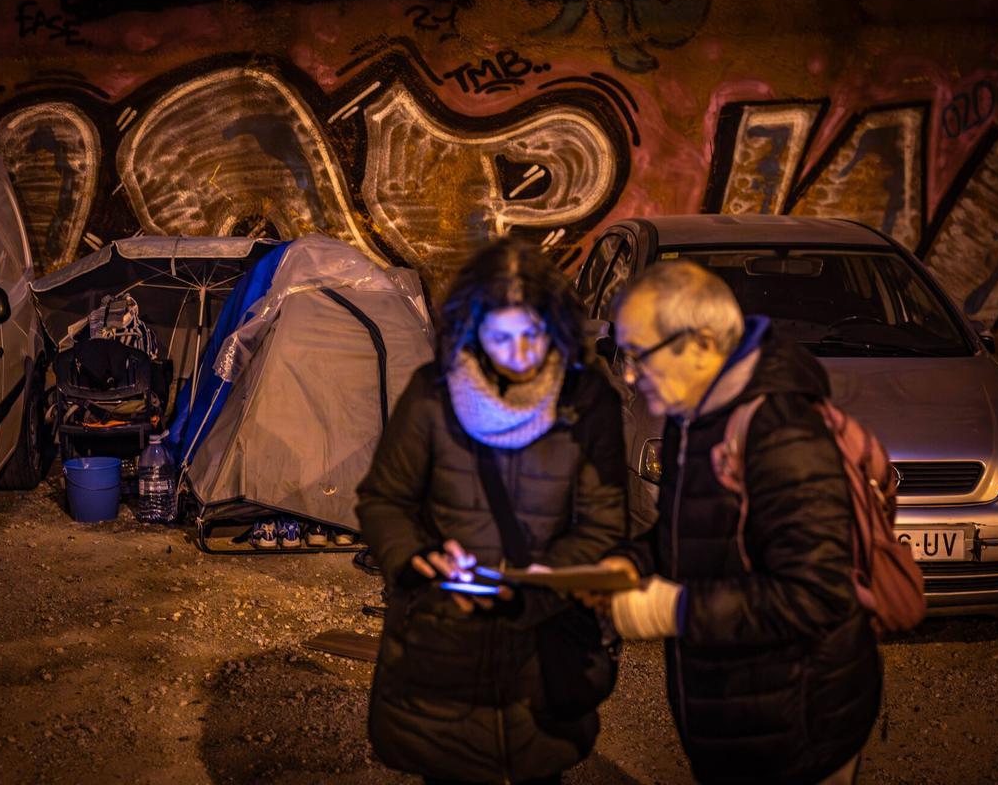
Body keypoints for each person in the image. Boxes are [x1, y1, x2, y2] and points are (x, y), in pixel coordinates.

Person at [356, 238, 628, 785]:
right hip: (445, 640)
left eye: (533, 333)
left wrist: (533, 588)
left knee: (535, 765)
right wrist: (416, 557)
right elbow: (385, 499)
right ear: (473, 329)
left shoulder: (588, 399)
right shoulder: (433, 397)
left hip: (545, 644)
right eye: (501, 337)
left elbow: (604, 521)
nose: (519, 352)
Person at [599, 260, 880, 784]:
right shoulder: (693, 415)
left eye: (642, 357)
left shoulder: (781, 430)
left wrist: (676, 609)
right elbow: (685, 533)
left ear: (703, 344)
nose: (630, 375)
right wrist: (631, 560)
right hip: (736, 715)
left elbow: (819, 593)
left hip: (797, 728)